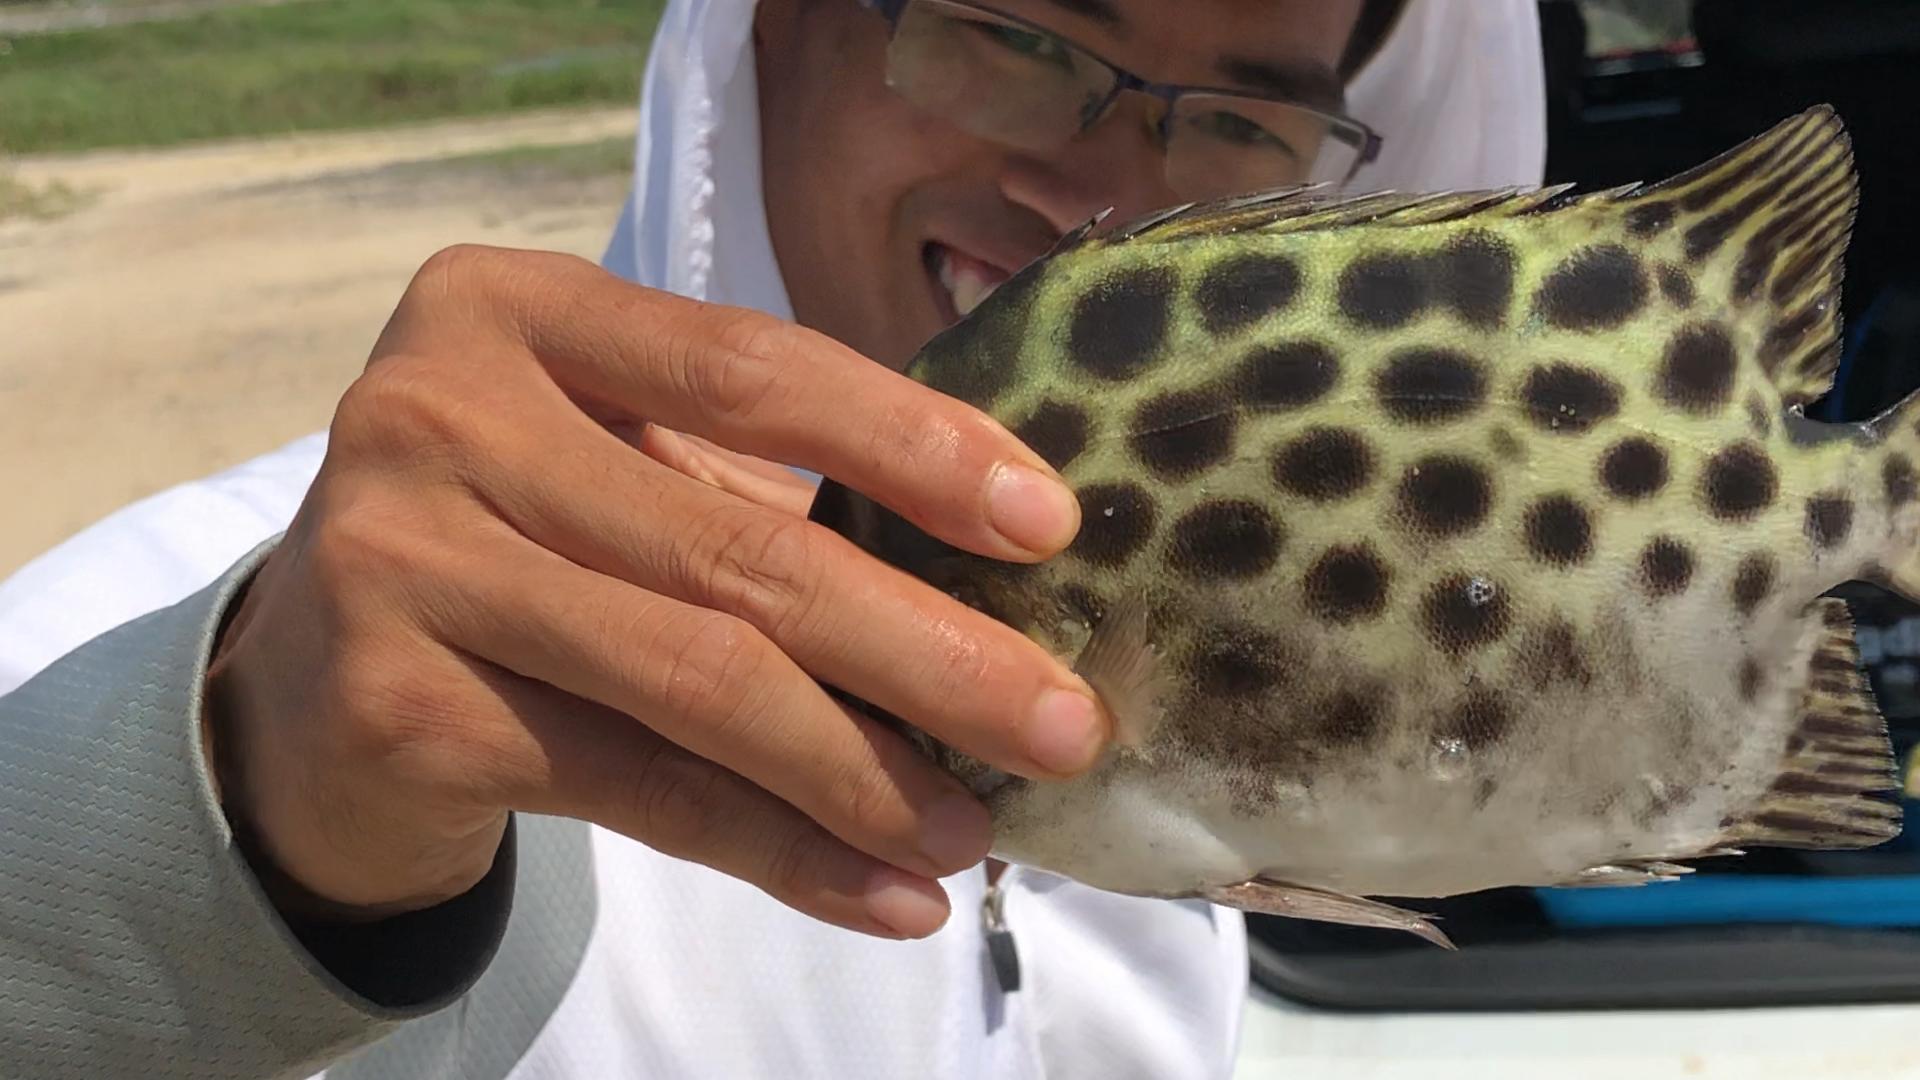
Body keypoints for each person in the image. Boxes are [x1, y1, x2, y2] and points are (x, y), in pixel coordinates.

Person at [0, 0, 1544, 1076]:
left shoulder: (1221, 667)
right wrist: (227, 834)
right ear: (760, 28)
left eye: (1245, 118)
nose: (1105, 201)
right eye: (1009, 33)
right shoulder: (249, 620)